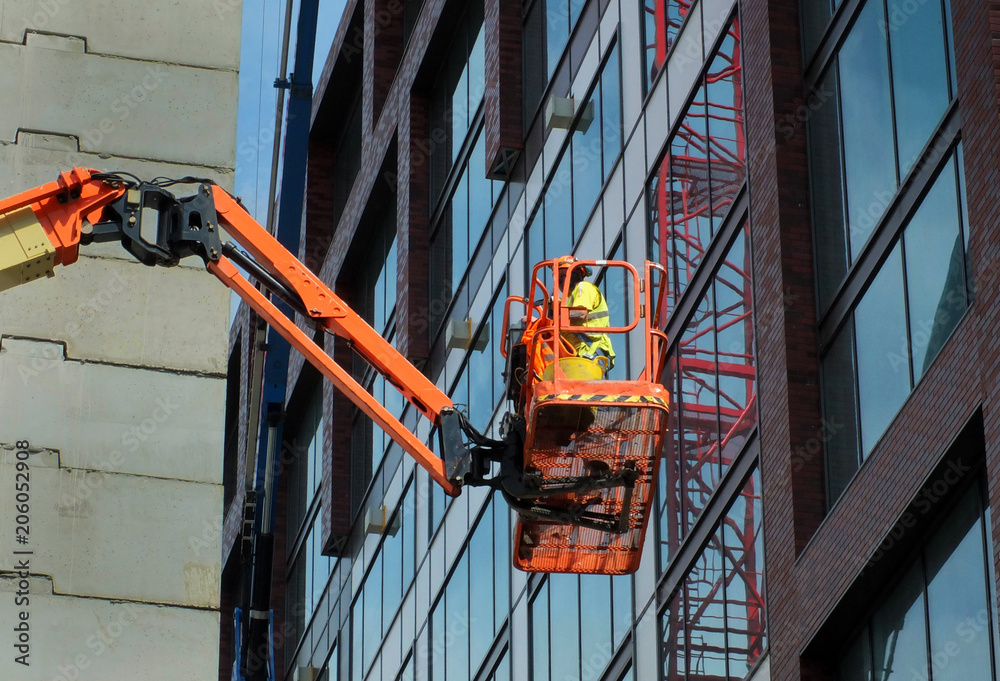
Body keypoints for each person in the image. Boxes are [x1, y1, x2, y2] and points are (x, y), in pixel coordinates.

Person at [555, 255, 615, 376]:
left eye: (564, 276)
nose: (560, 282)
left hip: (591, 351)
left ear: (577, 273)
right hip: (583, 353)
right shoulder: (570, 300)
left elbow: (580, 313)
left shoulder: (583, 287)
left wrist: (554, 320)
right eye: (558, 278)